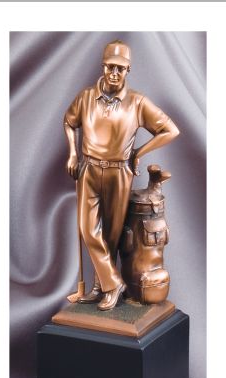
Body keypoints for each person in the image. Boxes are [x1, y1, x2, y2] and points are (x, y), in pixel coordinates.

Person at [64, 40, 179, 310]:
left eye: (120, 68)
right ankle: (113, 284)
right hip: (89, 169)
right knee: (88, 230)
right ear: (103, 66)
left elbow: (170, 130)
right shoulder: (86, 98)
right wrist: (72, 154)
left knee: (112, 236)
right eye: (110, 67)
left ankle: (100, 287)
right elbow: (69, 122)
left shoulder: (137, 102)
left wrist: (138, 152)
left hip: (119, 173)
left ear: (128, 70)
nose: (114, 73)